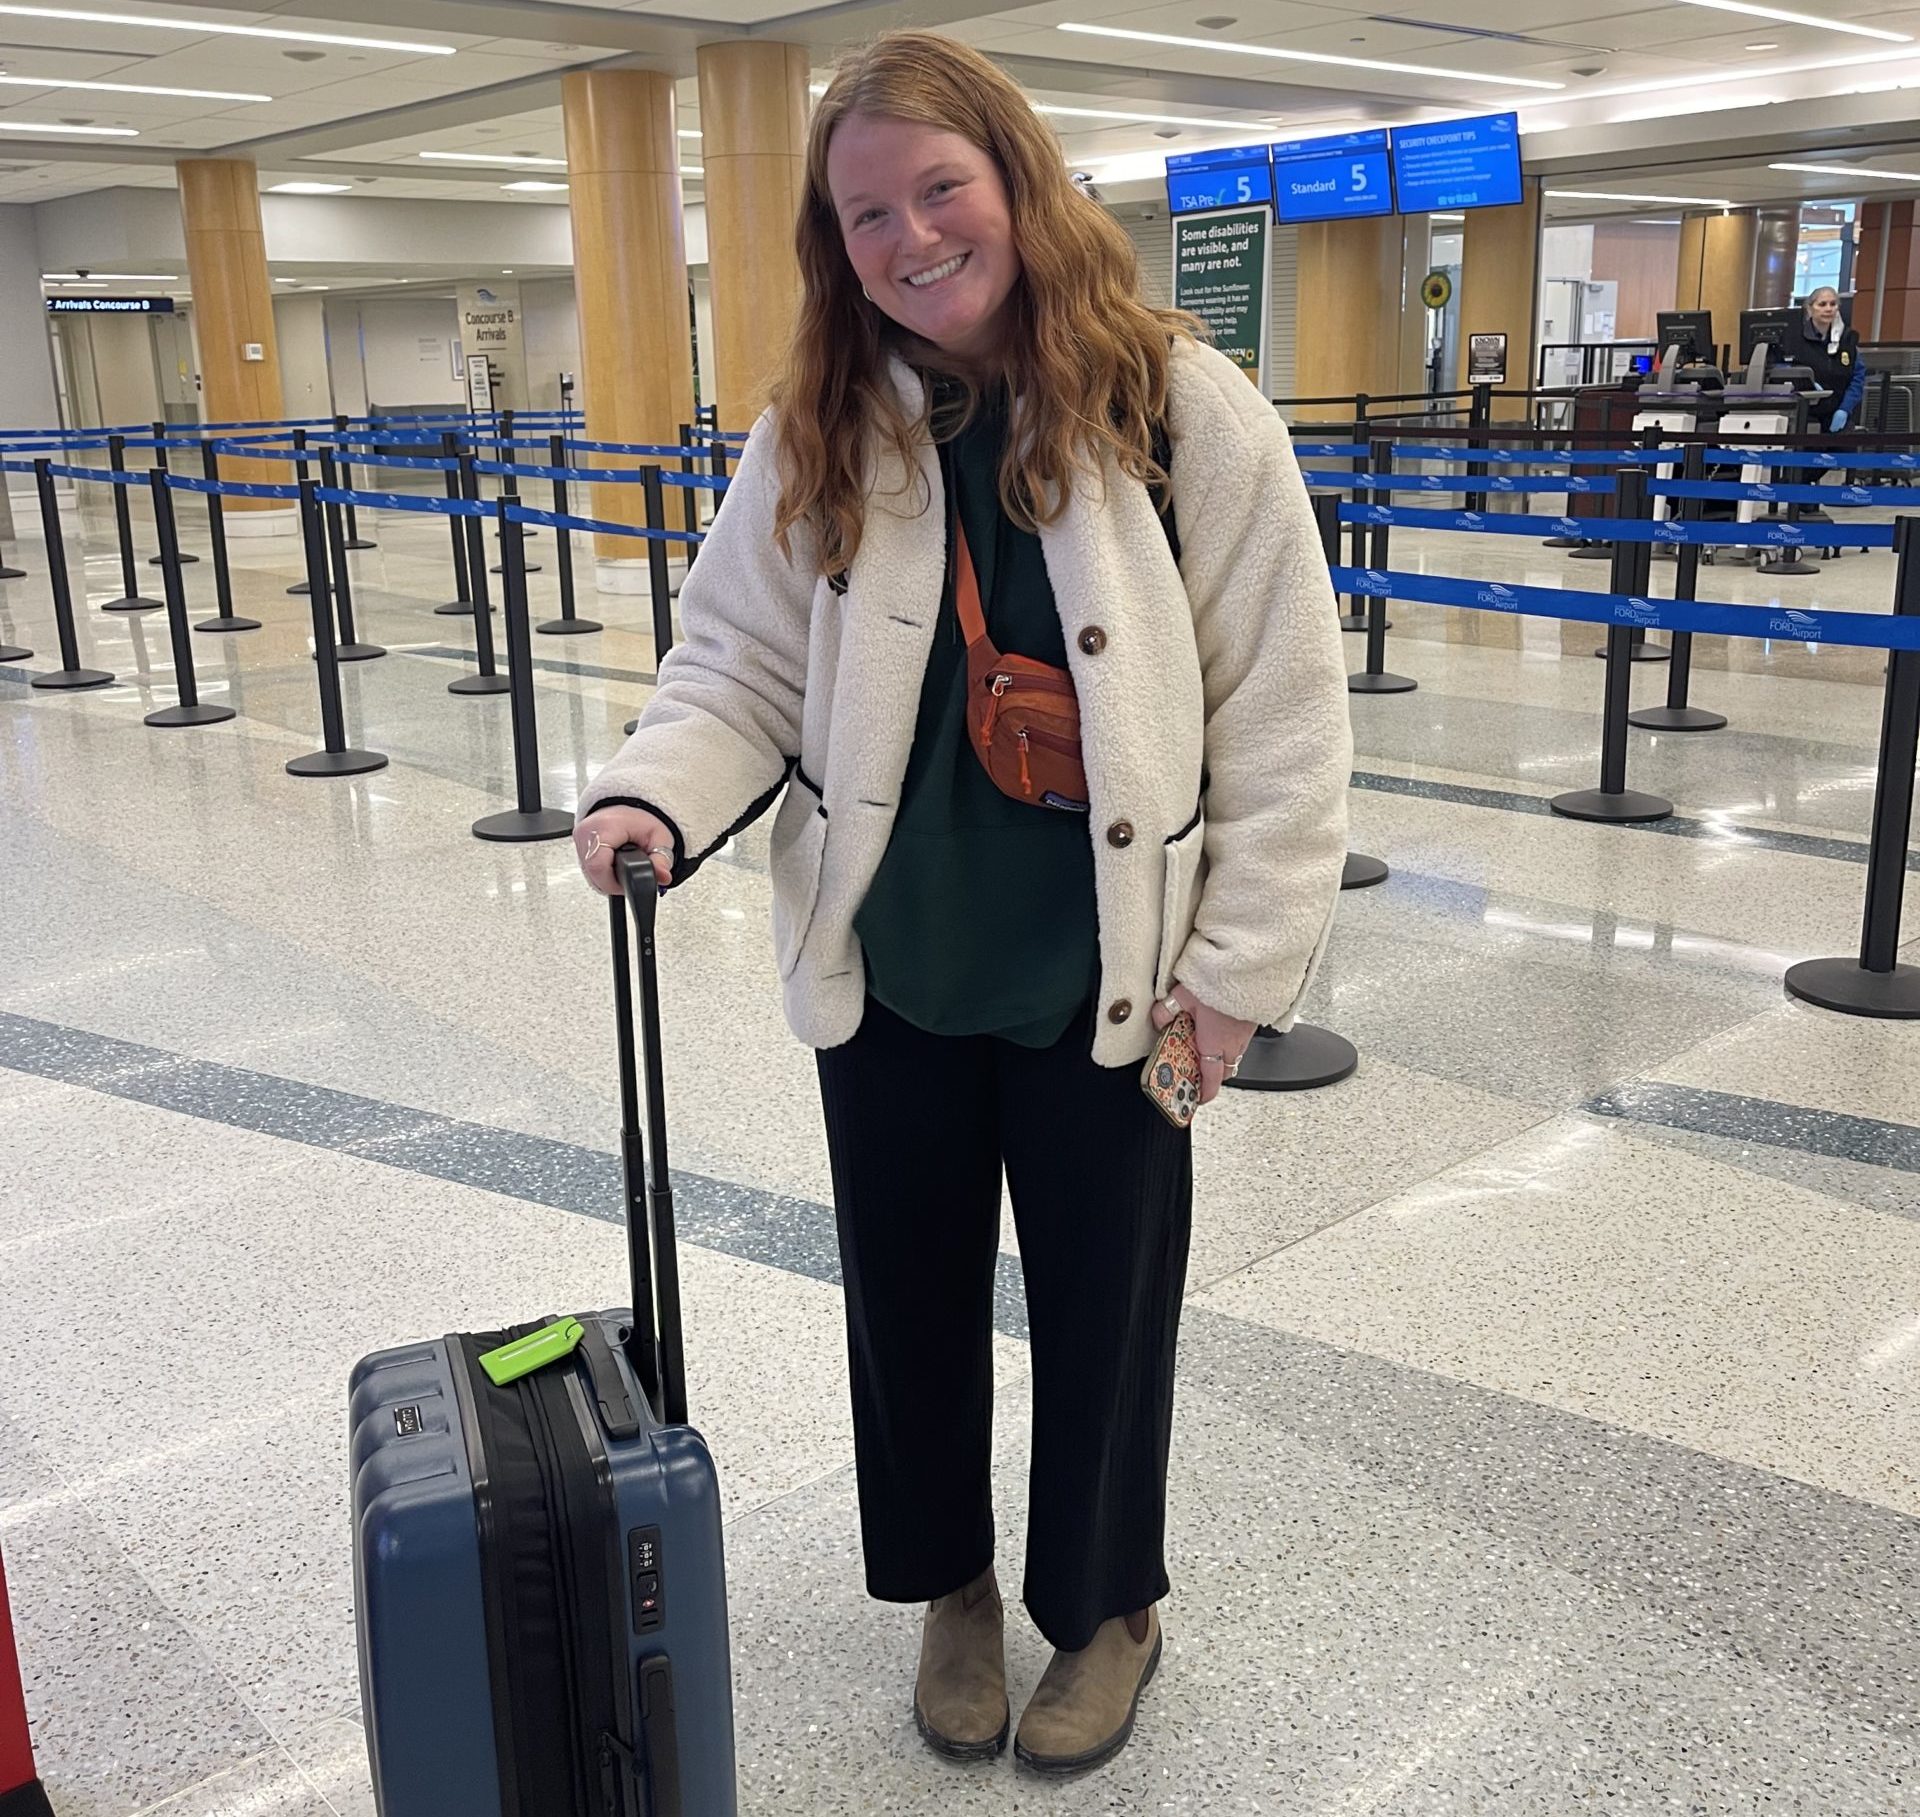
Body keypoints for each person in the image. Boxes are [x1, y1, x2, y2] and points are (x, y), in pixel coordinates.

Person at [572, 28, 1351, 1777]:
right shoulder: (820, 427)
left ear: (1016, 180)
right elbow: (737, 665)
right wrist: (648, 790)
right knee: (905, 1301)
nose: (912, 237)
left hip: (1112, 982)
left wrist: (1234, 971)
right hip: (901, 967)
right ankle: (949, 1590)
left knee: (1105, 1305)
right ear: (829, 246)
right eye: (866, 215)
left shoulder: (1180, 406)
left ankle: (1108, 1604)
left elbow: (1289, 714)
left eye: (941, 189)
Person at [1796, 286, 1866, 432]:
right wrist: (1807, 384)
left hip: (1840, 416)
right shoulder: (1797, 339)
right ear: (1810, 309)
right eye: (1822, 304)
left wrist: (1845, 409)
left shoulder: (1848, 339)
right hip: (1805, 417)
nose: (1828, 309)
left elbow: (1857, 378)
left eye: (1833, 304)